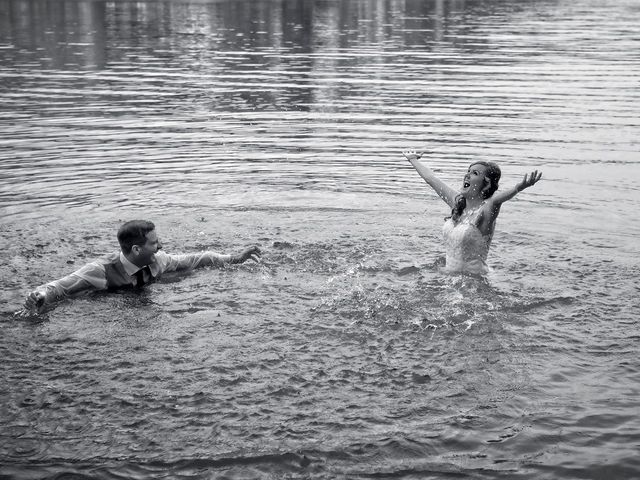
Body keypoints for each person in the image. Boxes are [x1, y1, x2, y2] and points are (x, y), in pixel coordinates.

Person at [23, 220, 261, 312]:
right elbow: (59, 287)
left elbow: (199, 258)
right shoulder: (99, 270)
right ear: (137, 250)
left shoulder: (159, 261)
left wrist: (235, 258)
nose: (160, 246)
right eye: (154, 243)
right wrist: (40, 296)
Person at [402, 149, 542, 275]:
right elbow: (432, 179)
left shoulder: (486, 210)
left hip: (475, 284)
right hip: (450, 278)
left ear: (486, 183)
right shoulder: (458, 202)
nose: (467, 176)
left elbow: (497, 200)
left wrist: (518, 188)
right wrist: (412, 159)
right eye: (468, 171)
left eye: (475, 173)